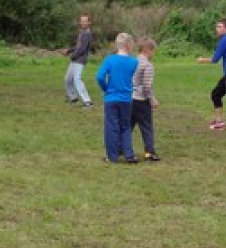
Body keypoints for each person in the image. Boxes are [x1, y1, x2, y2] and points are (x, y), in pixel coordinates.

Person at [96, 32, 139, 163]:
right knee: (125, 126)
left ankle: (112, 156)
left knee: (112, 126)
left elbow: (99, 76)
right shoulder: (133, 62)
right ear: (128, 45)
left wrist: (106, 88)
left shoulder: (110, 60)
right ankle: (128, 154)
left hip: (111, 97)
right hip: (126, 98)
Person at [132, 37, 161, 161]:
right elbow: (147, 87)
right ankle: (149, 152)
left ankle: (121, 147)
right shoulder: (147, 65)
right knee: (146, 126)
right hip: (141, 100)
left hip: (129, 99)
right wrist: (152, 100)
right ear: (148, 50)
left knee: (128, 126)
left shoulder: (132, 62)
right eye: (153, 51)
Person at [62, 13, 93, 108]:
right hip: (75, 59)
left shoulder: (87, 34)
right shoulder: (82, 33)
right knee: (67, 79)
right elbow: (78, 46)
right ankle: (73, 98)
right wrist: (69, 50)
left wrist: (72, 56)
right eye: (81, 21)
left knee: (77, 79)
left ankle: (88, 102)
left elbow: (82, 49)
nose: (83, 23)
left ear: (89, 23)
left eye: (85, 21)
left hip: (80, 60)